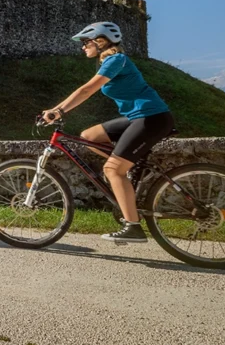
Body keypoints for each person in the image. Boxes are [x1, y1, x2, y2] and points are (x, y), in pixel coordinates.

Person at [41, 22, 174, 243]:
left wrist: (58, 111)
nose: (82, 47)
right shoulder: (110, 61)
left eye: (85, 42)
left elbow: (87, 89)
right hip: (138, 117)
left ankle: (133, 227)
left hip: (152, 117)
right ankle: (127, 167)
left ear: (99, 41)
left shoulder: (116, 60)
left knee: (112, 170)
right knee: (89, 137)